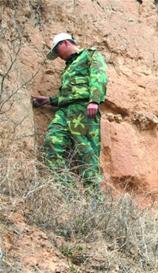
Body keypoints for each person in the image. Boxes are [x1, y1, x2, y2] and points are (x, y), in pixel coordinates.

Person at [32, 33, 107, 193]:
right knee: (52, 143)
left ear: (65, 43)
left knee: (87, 155)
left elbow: (99, 76)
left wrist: (94, 100)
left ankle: (95, 201)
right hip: (64, 112)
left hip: (84, 110)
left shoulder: (90, 55)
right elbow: (69, 95)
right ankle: (68, 193)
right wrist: (49, 100)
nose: (58, 56)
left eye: (57, 51)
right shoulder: (68, 68)